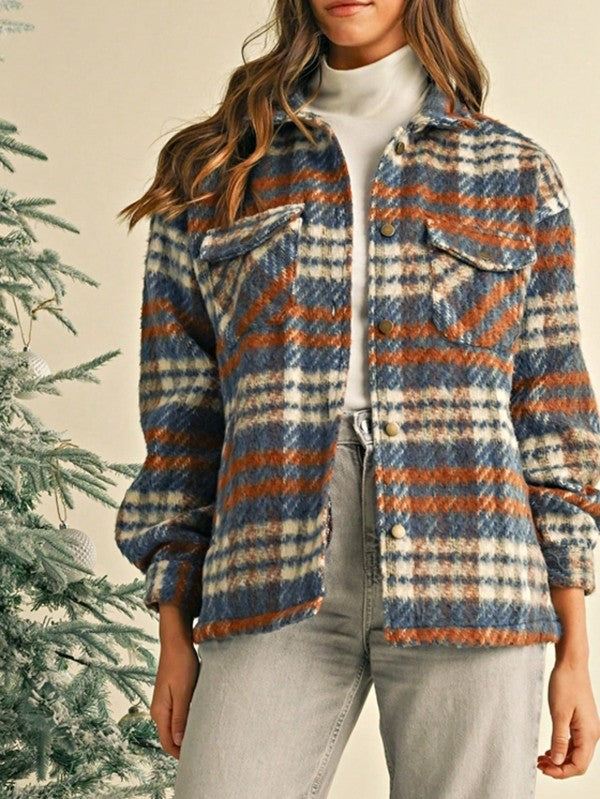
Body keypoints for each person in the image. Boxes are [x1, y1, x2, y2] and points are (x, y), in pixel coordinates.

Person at [114, 1, 600, 796]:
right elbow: (181, 418)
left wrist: (575, 647)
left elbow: (553, 409)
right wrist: (173, 626)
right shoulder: (217, 168)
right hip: (267, 553)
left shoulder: (515, 172)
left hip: (475, 561)